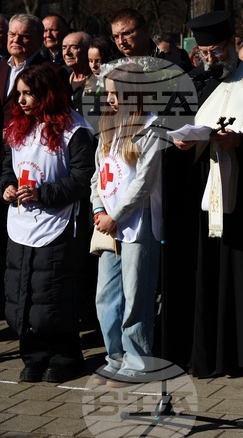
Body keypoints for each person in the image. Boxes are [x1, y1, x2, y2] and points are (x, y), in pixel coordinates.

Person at [170, 10, 243, 378]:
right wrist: (183, 144)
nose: (211, 59)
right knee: (203, 270)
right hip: (201, 192)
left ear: (233, 44)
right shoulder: (197, 83)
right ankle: (204, 351)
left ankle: (241, 353)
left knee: (238, 269)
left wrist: (240, 143)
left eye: (217, 50)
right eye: (205, 52)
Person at [2, 65, 95, 383]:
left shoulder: (75, 130)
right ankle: (34, 356)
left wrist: (44, 194)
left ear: (48, 93)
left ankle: (65, 356)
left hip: (58, 224)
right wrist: (7, 186)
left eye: (29, 94)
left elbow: (83, 180)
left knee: (53, 294)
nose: (22, 100)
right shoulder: (20, 126)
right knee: (22, 291)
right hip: (22, 222)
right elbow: (8, 165)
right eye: (20, 93)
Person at [91, 60, 166, 385]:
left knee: (136, 295)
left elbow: (143, 183)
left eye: (117, 94)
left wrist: (115, 216)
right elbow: (98, 174)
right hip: (106, 224)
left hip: (138, 224)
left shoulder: (151, 128)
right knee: (106, 296)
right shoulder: (107, 126)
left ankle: (137, 362)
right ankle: (115, 357)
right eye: (108, 94)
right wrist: (97, 209)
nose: (111, 100)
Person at [63, 31, 93, 113]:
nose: (67, 52)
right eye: (64, 48)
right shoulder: (62, 77)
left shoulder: (99, 80)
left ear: (88, 50)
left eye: (74, 47)